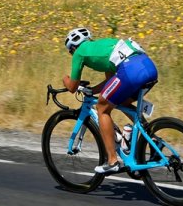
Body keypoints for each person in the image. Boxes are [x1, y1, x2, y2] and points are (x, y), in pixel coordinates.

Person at [62, 27, 158, 175]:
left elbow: (73, 87)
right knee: (122, 101)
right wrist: (92, 90)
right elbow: (111, 82)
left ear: (73, 47)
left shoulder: (79, 52)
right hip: (148, 67)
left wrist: (65, 79)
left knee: (102, 108)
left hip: (129, 70)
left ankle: (112, 161)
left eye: (70, 51)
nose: (72, 54)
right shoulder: (105, 46)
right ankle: (152, 139)